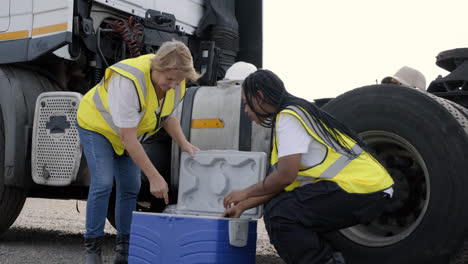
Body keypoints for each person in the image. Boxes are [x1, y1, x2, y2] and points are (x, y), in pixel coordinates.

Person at [222, 69, 394, 264]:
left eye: (246, 103)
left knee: (281, 214)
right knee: (282, 207)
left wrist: (244, 193)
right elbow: (285, 183)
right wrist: (244, 206)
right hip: (369, 189)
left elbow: (285, 176)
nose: (246, 111)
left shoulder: (289, 117)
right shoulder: (297, 112)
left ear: (260, 96)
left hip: (362, 188)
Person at [76, 40, 200, 264]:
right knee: (104, 182)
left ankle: (124, 251)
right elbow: (128, 138)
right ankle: (93, 250)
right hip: (97, 125)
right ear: (156, 66)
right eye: (170, 79)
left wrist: (185, 144)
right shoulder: (129, 81)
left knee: (131, 186)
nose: (174, 84)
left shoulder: (176, 82)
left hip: (124, 133)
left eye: (179, 80)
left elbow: (166, 116)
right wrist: (155, 177)